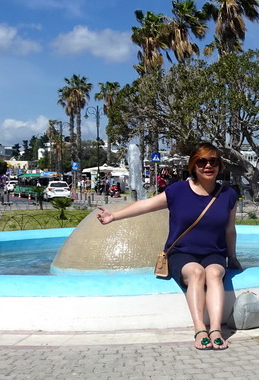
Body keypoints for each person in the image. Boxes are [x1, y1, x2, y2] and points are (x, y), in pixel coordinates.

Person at [96, 142, 241, 350]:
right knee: (197, 273)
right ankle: (200, 329)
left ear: (219, 166)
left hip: (214, 253)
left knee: (215, 274)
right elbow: (146, 205)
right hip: (181, 253)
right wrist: (114, 216)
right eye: (202, 161)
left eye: (213, 161)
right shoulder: (178, 191)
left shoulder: (228, 196)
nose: (208, 166)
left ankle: (216, 329)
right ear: (193, 165)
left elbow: (230, 230)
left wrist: (232, 257)